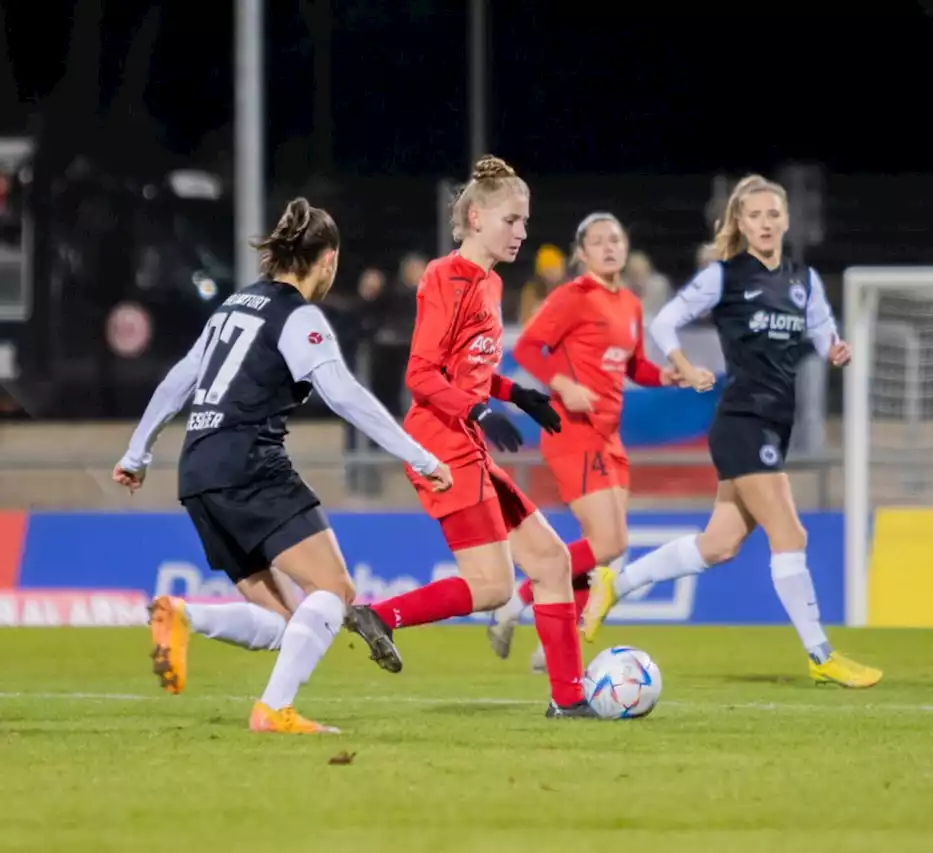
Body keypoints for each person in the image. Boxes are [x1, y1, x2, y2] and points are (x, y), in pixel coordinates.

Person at [115, 198, 451, 734]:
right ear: (328, 260)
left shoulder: (233, 306)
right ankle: (273, 711)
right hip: (250, 463)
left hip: (198, 470)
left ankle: (184, 615)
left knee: (290, 622)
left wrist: (138, 453)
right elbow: (344, 395)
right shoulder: (298, 317)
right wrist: (421, 455)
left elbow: (180, 378)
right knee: (335, 592)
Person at [581, 174, 883, 689]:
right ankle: (821, 655)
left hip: (774, 424)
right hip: (743, 420)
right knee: (791, 533)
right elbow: (663, 323)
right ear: (741, 224)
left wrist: (836, 347)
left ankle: (616, 582)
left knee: (718, 545)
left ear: (786, 220)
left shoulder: (803, 280)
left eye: (773, 214)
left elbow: (823, 331)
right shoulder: (724, 277)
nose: (765, 223)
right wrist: (683, 364)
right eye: (755, 216)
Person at [343, 156, 597, 718]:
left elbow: (471, 368)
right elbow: (421, 375)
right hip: (442, 446)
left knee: (553, 563)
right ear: (476, 217)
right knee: (492, 589)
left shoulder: (490, 282)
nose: (522, 233)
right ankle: (382, 616)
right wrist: (481, 410)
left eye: (525, 221)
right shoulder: (444, 277)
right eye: (512, 220)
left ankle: (569, 701)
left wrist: (516, 394)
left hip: (468, 441)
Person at [485, 212, 706, 671]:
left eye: (617, 240)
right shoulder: (573, 297)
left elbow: (634, 367)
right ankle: (517, 600)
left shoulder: (628, 302)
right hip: (573, 433)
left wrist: (665, 376)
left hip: (609, 437)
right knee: (608, 542)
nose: (610, 247)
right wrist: (562, 384)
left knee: (605, 548)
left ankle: (550, 639)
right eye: (598, 241)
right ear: (581, 252)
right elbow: (527, 349)